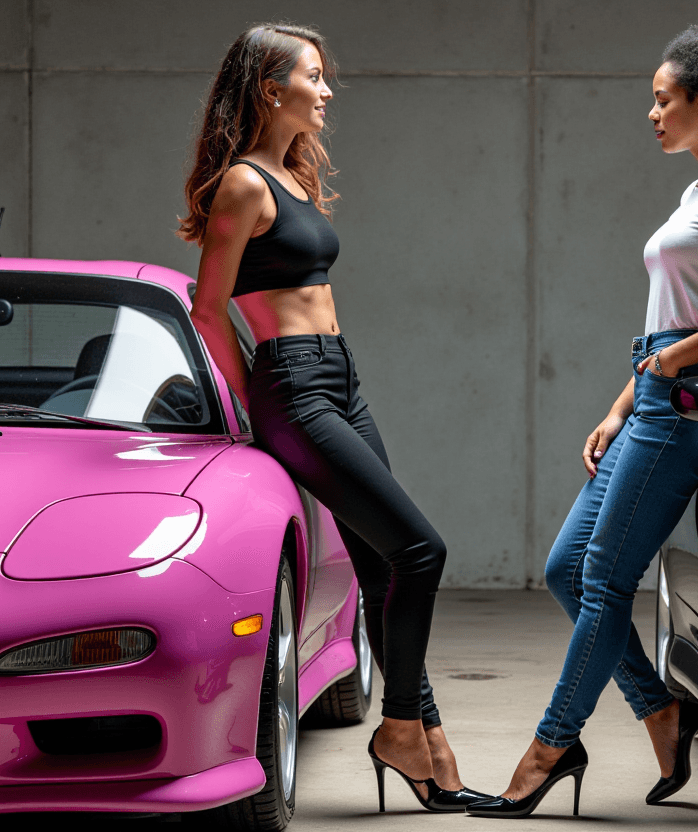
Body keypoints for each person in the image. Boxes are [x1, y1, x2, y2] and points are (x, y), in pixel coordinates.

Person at [466, 11, 698, 819]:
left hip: (688, 404)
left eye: (662, 100)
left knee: (606, 581)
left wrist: (673, 366)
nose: (652, 115)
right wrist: (619, 406)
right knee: (565, 570)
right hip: (655, 394)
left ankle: (549, 749)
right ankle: (660, 709)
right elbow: (666, 322)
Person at [178, 23, 489, 813]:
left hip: (340, 381)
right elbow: (207, 310)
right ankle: (400, 727)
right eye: (313, 77)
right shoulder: (244, 184)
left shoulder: (290, 175)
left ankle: (430, 751)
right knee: (423, 550)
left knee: (386, 571)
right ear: (270, 88)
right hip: (293, 387)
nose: (326, 91)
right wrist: (261, 404)